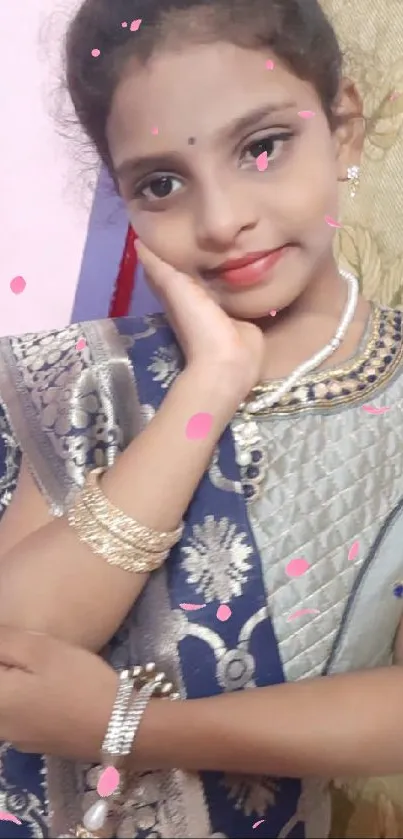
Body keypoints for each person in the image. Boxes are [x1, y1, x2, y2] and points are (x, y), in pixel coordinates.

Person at [0, 0, 403, 836]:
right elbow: (13, 648)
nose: (221, 222)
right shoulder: (80, 376)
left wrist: (130, 728)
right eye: (160, 184)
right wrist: (208, 386)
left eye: (262, 146)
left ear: (345, 127)